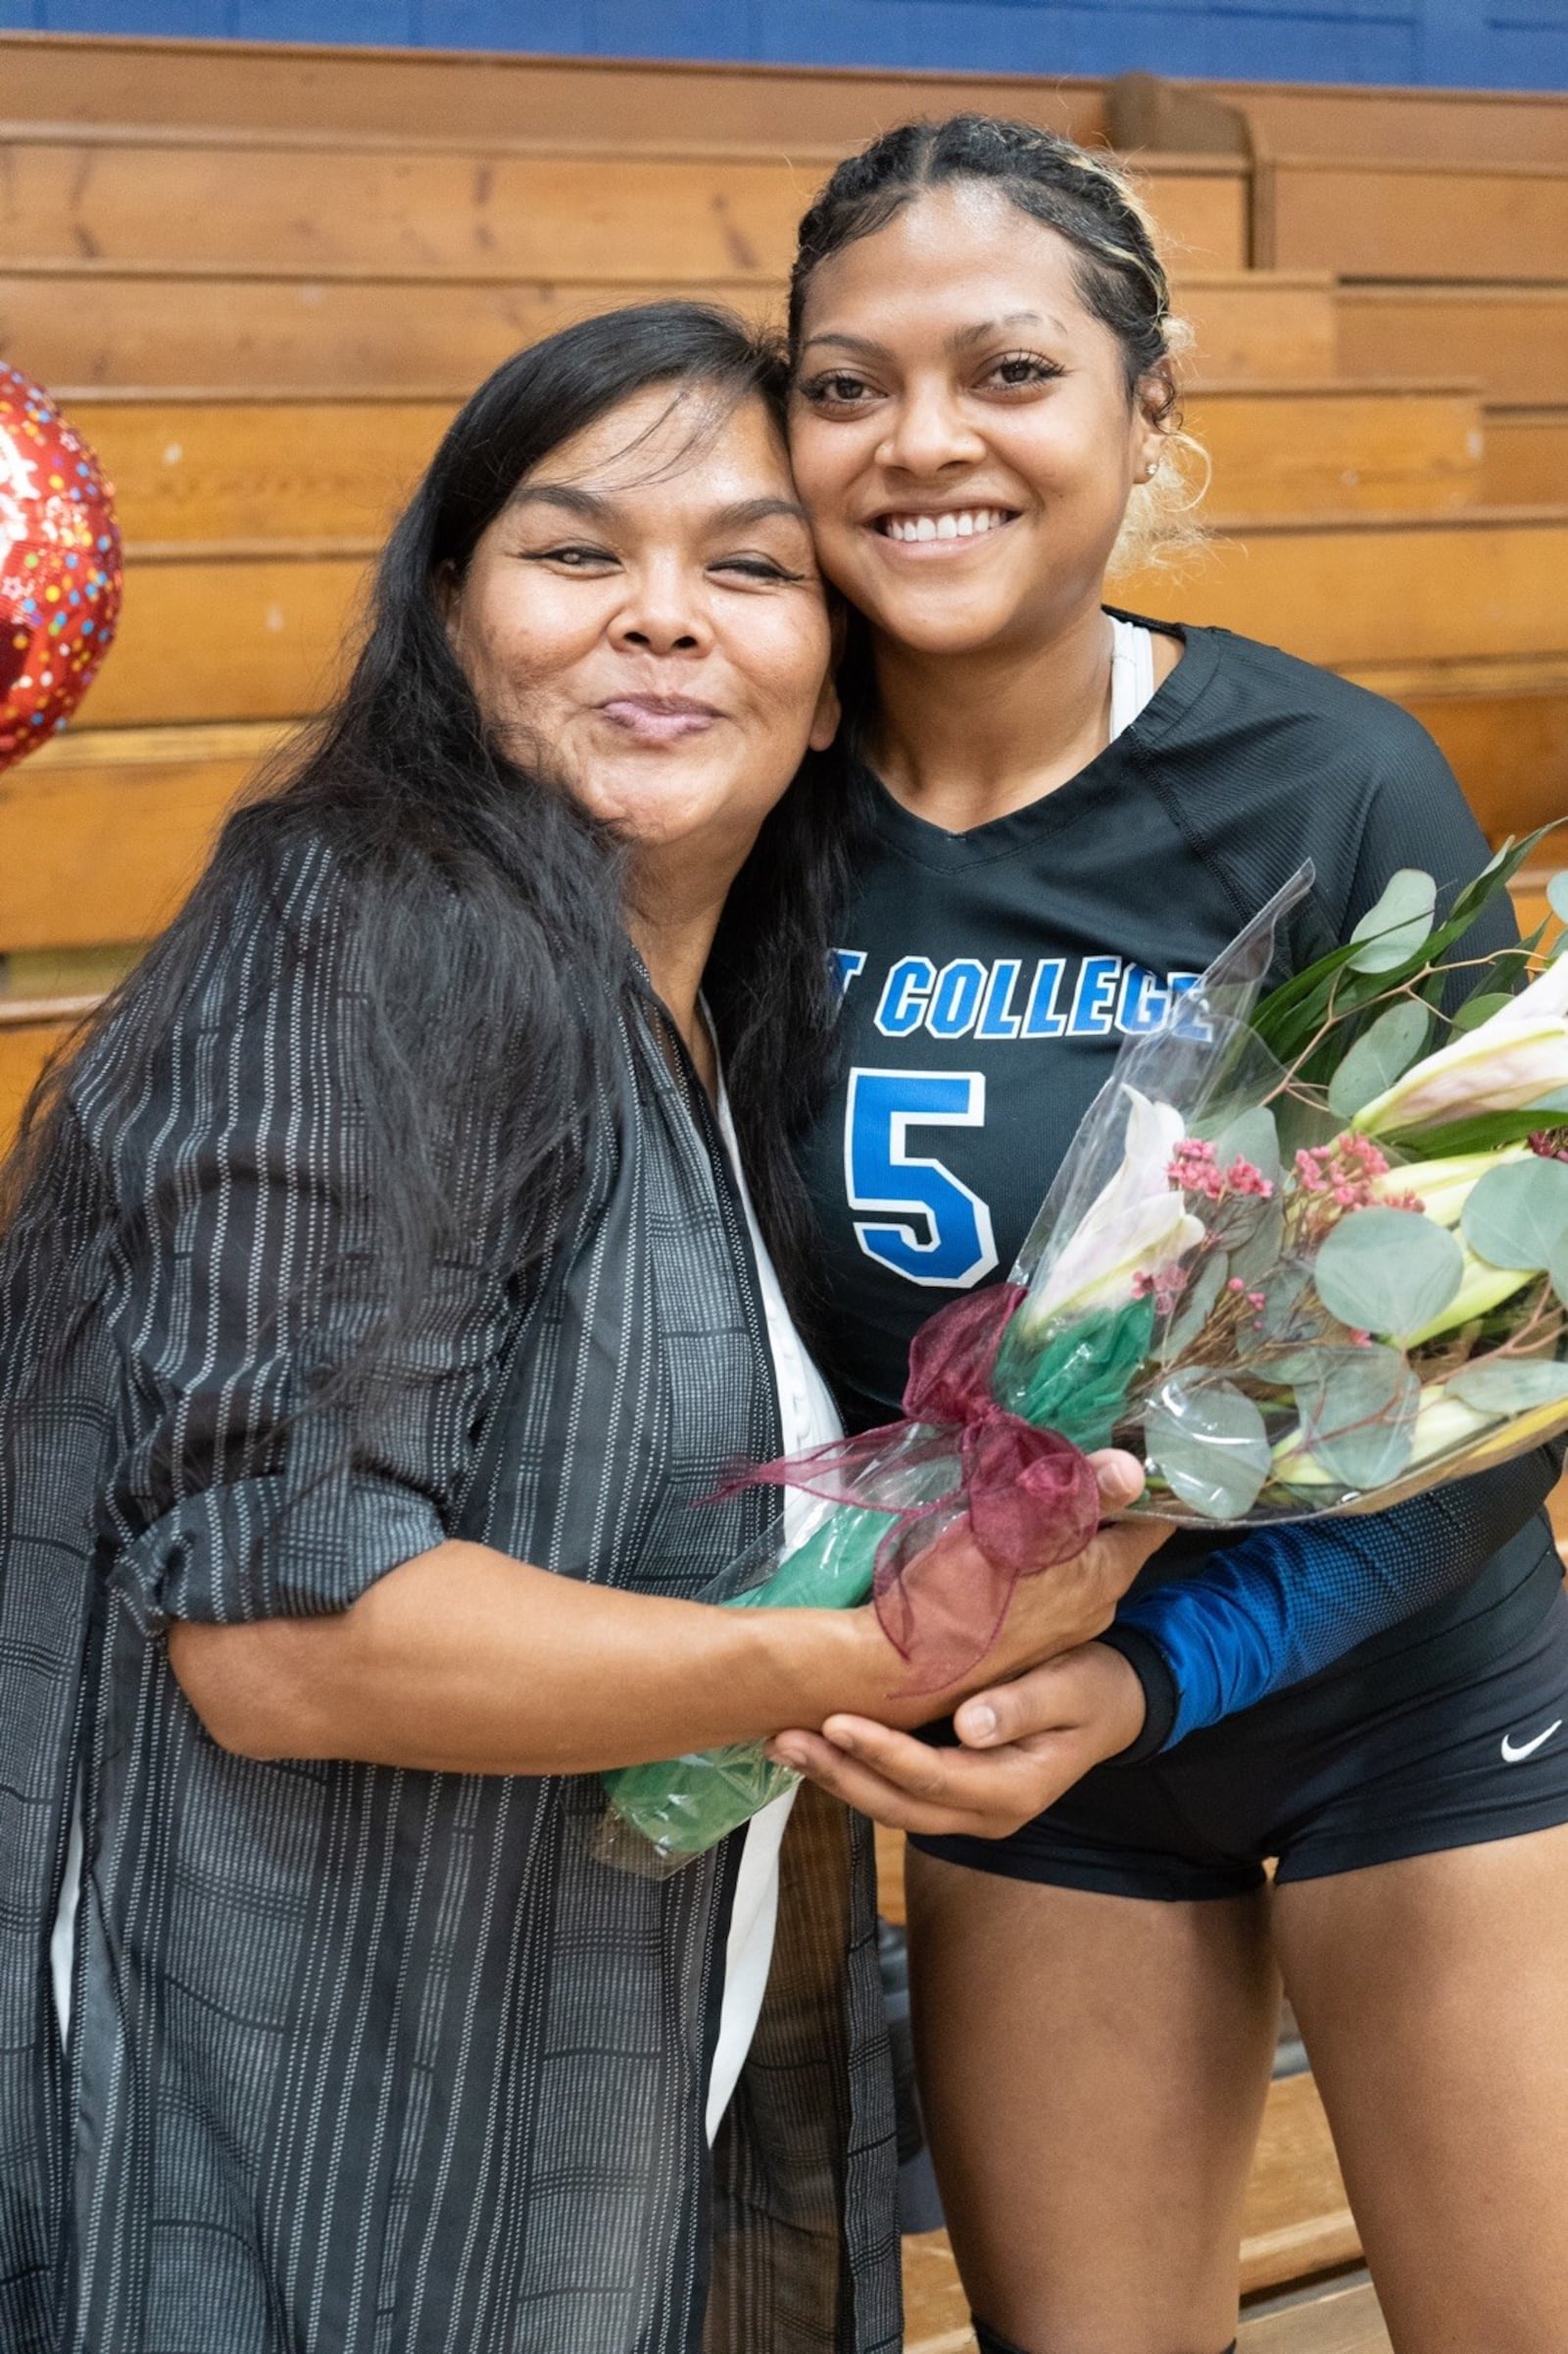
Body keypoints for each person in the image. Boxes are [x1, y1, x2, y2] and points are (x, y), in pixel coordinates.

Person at [0, 300, 1165, 2354]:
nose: (660, 619)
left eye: (746, 566)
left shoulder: (703, 1032)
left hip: (567, 2128)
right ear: (448, 624)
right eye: (573, 554)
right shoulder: (374, 927)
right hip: (300, 2163)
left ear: (830, 689)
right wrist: (861, 1654)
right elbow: (282, 1635)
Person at [766, 118, 1568, 2354]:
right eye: (845, 385)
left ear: (1144, 412)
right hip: (1015, 1743)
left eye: (1005, 372)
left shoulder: (1329, 782)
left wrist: (1153, 1665)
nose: (922, 441)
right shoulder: (735, 813)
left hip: (1403, 1695)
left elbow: (1493, 1375)